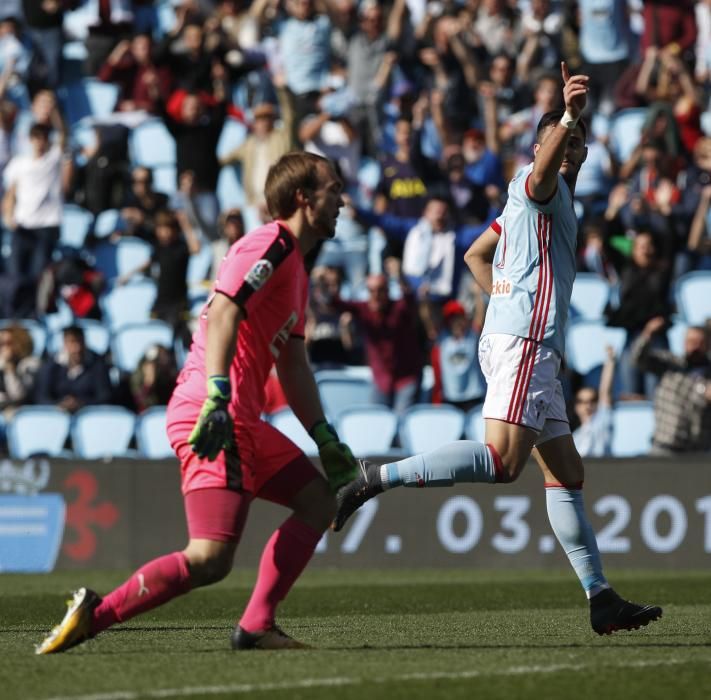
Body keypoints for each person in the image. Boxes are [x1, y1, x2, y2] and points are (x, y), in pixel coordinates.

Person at [333, 63, 663, 636]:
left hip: (529, 345)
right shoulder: (541, 187)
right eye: (565, 141)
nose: (574, 149)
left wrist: (505, 295)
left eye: (580, 143)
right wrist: (566, 114)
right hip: (525, 346)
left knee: (567, 473)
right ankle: (373, 477)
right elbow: (534, 184)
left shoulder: (531, 201)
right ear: (543, 146)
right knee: (503, 464)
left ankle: (600, 596)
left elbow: (476, 255)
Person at [36, 152, 359, 654]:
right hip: (214, 410)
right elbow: (227, 309)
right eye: (333, 189)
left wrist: (322, 433)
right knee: (209, 557)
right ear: (303, 197)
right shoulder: (271, 243)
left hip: (240, 418)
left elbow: (292, 365)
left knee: (318, 501)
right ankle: (94, 616)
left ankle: (256, 626)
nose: (342, 200)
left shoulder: (295, 265)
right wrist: (218, 390)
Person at [632, 317, 711, 455]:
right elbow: (638, 359)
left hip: (696, 451)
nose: (695, 347)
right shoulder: (670, 364)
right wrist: (648, 333)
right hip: (664, 447)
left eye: (700, 343)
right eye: (691, 342)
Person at [34, 325, 112, 413]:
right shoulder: (51, 366)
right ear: (65, 344)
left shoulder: (98, 365)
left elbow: (105, 398)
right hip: (57, 416)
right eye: (72, 342)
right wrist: (60, 405)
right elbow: (41, 398)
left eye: (80, 342)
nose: (77, 348)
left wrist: (81, 404)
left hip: (89, 416)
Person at [572, 347, 616, 459]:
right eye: (582, 402)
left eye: (592, 400)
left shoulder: (602, 422)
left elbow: (605, 391)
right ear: (576, 406)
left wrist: (610, 361)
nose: (588, 406)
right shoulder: (573, 438)